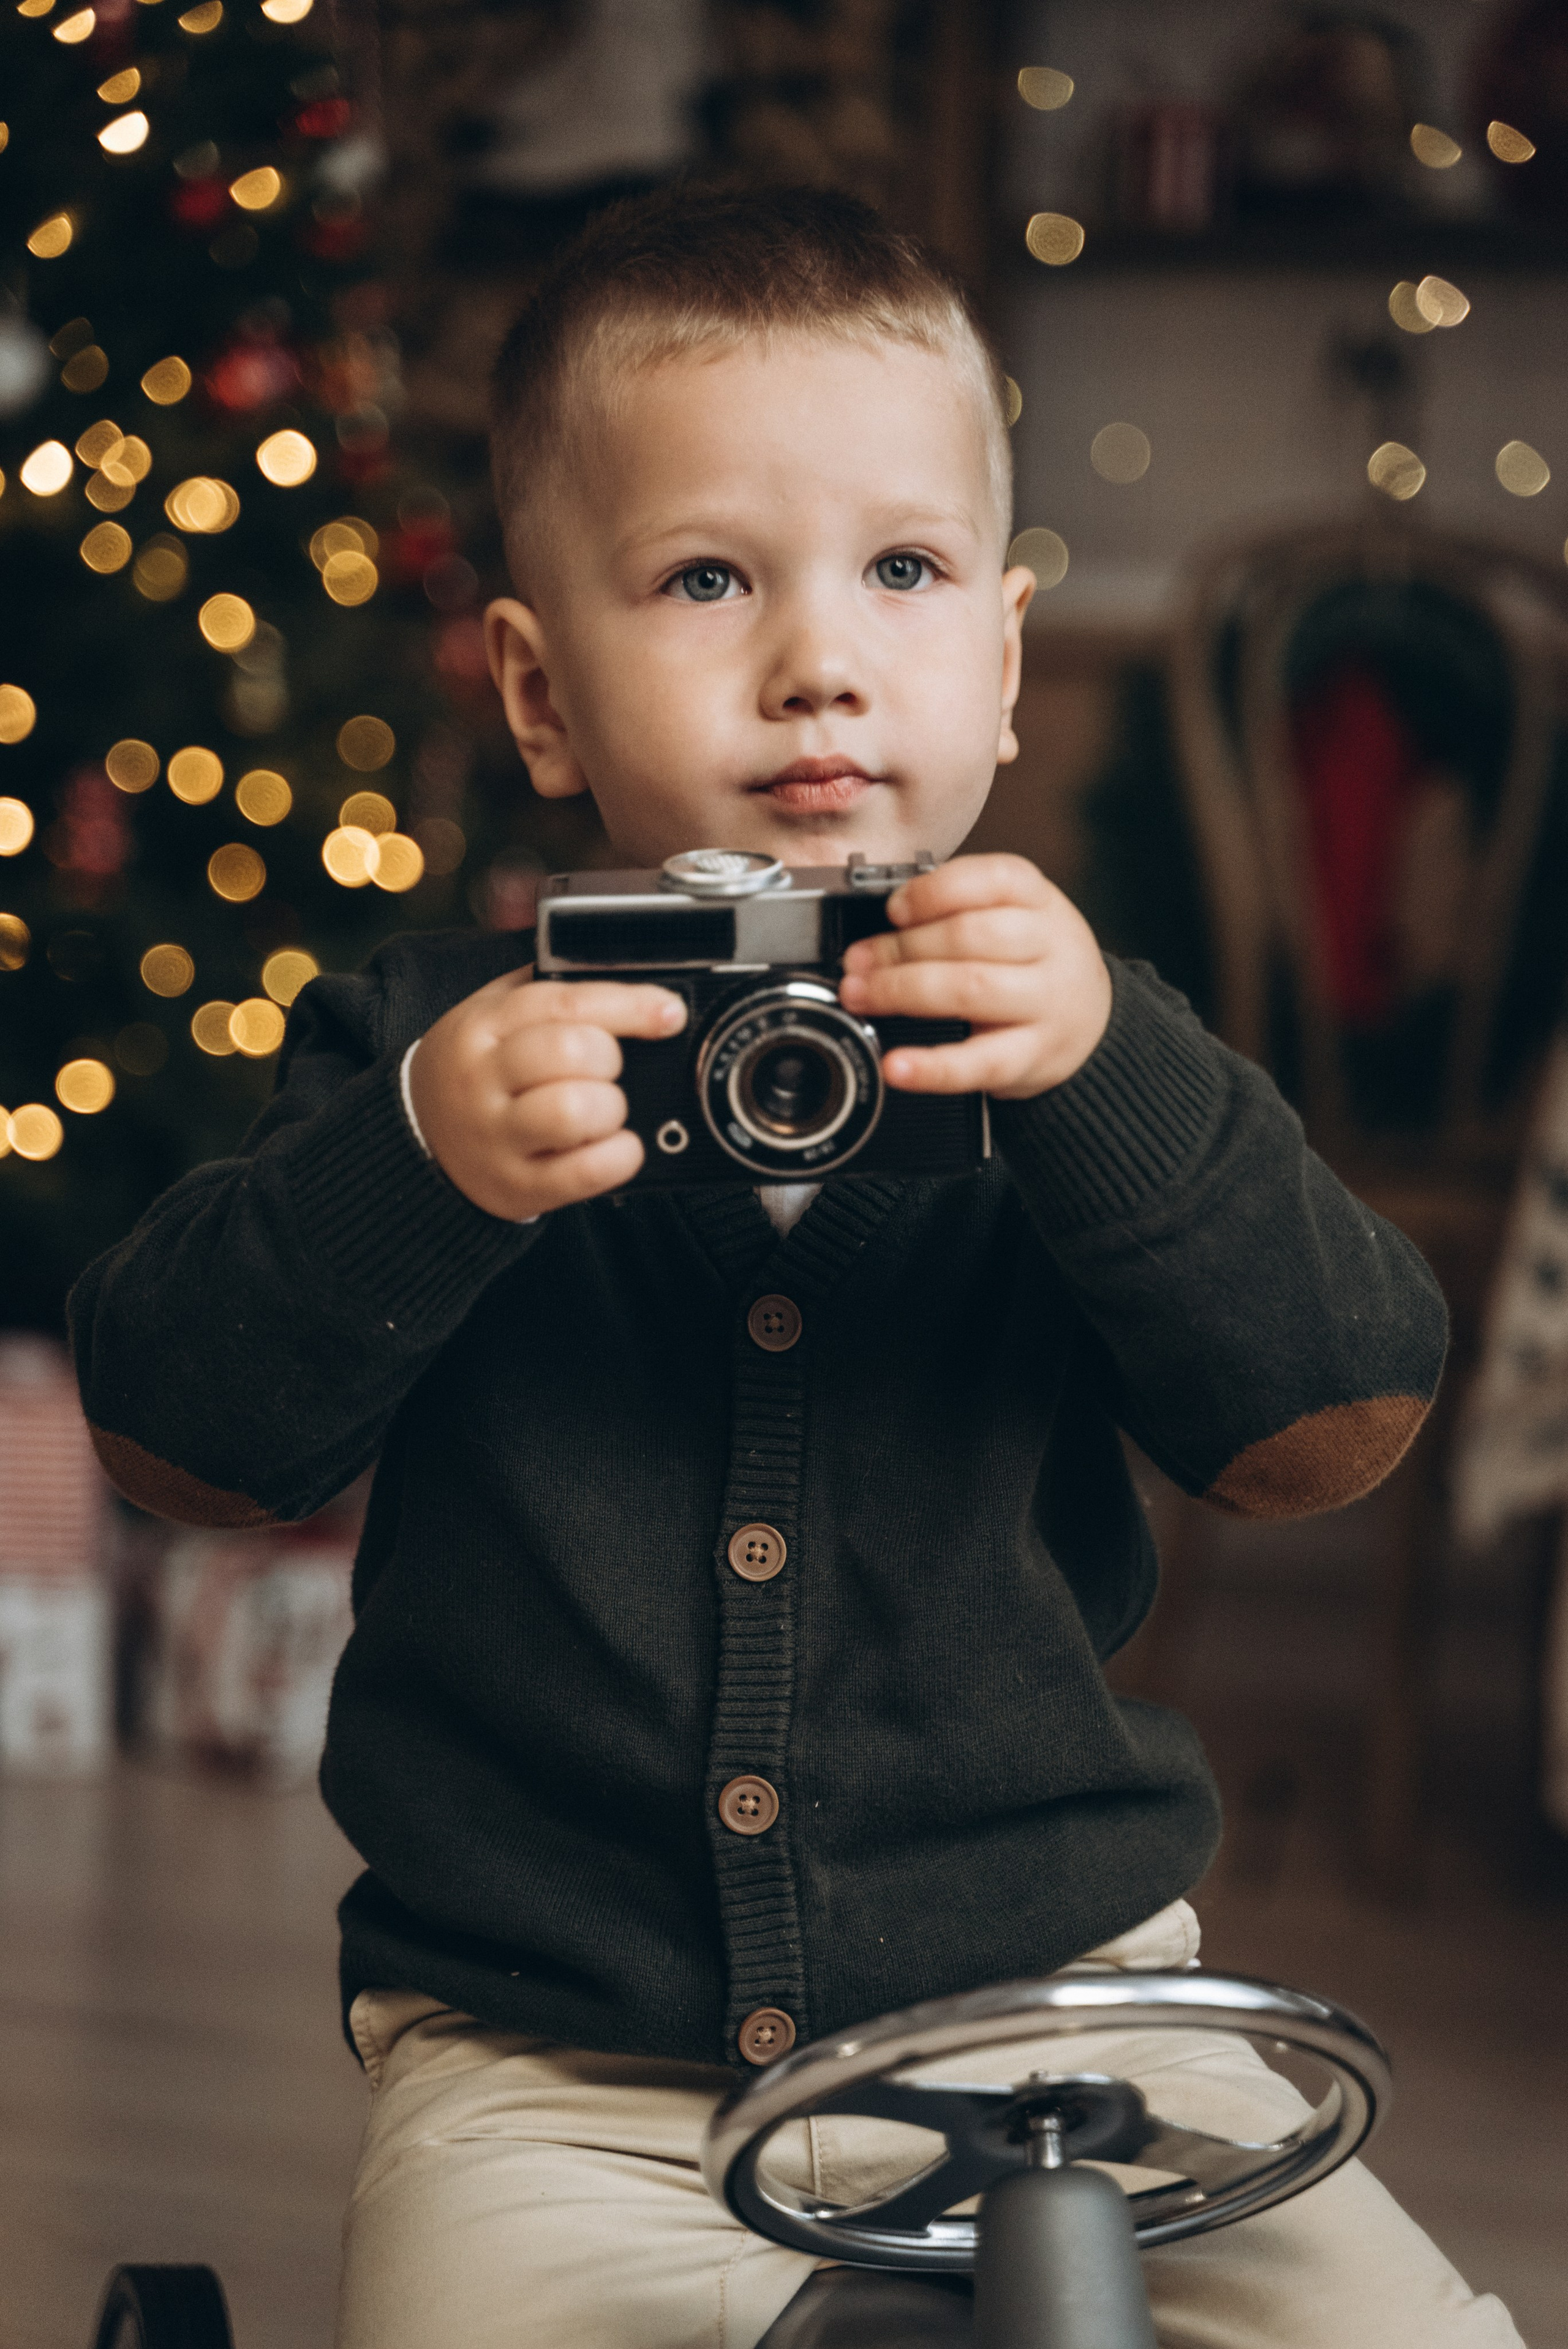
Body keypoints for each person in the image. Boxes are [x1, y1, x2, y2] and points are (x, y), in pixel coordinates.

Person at [69, 184, 1521, 2348]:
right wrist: (423, 1167)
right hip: (560, 2064)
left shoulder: (1074, 1026)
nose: (821, 654)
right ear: (544, 698)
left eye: (906, 571)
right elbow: (177, 1433)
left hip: (1069, 2016)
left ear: (1007, 667)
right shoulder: (435, 1042)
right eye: (709, 575)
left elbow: (1335, 1414)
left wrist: (1110, 1077)